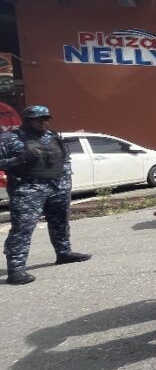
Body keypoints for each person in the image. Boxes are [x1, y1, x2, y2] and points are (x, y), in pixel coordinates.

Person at [0, 106, 90, 285]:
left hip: (57, 187)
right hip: (28, 189)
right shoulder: (10, 138)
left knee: (60, 222)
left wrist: (65, 181)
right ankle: (16, 270)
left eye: (46, 119)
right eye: (38, 119)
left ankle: (63, 253)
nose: (44, 122)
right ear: (27, 120)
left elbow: (64, 158)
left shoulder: (53, 136)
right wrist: (22, 158)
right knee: (22, 229)